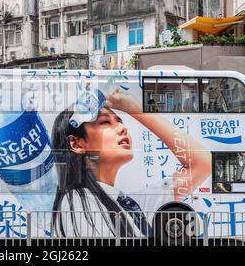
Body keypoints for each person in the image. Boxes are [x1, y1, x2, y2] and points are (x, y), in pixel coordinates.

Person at [51, 87, 212, 238]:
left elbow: (202, 163)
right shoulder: (77, 202)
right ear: (77, 144)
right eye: (105, 122)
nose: (122, 127)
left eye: (120, 121)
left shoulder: (131, 204)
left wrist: (136, 110)